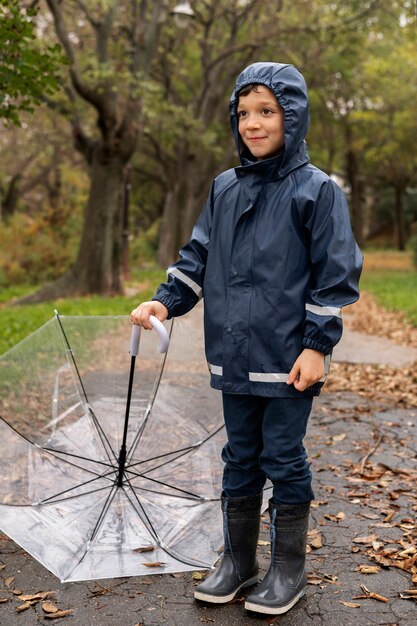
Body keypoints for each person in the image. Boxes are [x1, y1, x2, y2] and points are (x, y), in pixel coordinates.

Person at [130, 61, 362, 616]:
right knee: (239, 457)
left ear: (293, 115)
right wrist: (166, 299)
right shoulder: (224, 187)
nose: (253, 124)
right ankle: (238, 561)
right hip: (234, 355)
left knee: (283, 457)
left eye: (267, 111)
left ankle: (287, 568)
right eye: (243, 113)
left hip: (288, 359)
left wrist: (316, 344)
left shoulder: (317, 192)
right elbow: (198, 257)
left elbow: (335, 277)